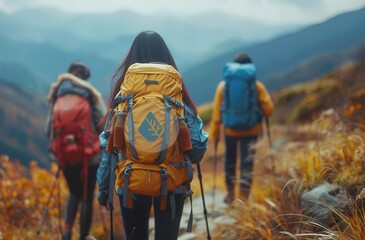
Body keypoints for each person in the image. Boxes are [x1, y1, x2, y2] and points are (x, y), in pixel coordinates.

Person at [96, 30, 208, 240]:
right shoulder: (175, 95)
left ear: (131, 58)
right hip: (172, 181)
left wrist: (104, 188)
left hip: (130, 181)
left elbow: (108, 146)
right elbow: (197, 150)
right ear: (167, 58)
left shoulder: (123, 95)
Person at [44, 61, 107, 240]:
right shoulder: (89, 94)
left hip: (65, 157)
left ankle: (66, 233)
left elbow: (48, 130)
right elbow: (102, 124)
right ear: (84, 77)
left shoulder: (57, 95)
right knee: (86, 196)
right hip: (90, 157)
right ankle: (83, 237)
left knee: (73, 192)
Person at [209, 53, 274, 204]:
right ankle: (243, 199)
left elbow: (217, 114)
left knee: (230, 162)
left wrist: (215, 135)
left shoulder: (223, 86)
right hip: (251, 130)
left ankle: (231, 196)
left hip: (230, 131)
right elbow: (269, 110)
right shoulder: (256, 86)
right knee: (247, 164)